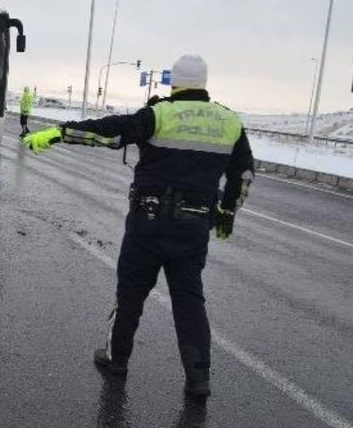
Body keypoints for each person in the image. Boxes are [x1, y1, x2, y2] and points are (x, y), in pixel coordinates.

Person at [21, 54, 254, 398]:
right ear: (204, 83)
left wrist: (60, 133)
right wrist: (226, 212)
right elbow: (243, 174)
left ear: (175, 83)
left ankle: (117, 359)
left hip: (149, 222)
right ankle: (198, 378)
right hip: (194, 226)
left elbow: (110, 133)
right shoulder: (229, 121)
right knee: (189, 301)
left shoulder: (159, 114)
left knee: (130, 293)